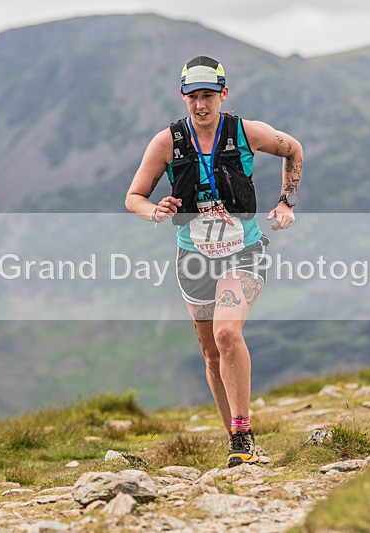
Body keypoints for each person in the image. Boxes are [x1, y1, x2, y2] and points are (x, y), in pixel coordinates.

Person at [126, 56, 303, 467]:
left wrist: (286, 201)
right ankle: (237, 443)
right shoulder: (166, 143)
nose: (200, 105)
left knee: (227, 333)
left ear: (224, 93)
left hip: (245, 250)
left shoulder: (246, 132)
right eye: (192, 97)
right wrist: (155, 211)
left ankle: (243, 433)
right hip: (194, 258)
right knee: (210, 354)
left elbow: (294, 150)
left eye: (208, 96)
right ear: (183, 97)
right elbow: (133, 196)